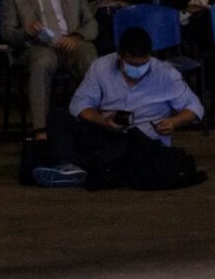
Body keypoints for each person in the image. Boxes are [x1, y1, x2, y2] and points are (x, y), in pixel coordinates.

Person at [37, 27, 203, 188]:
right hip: (107, 133)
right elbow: (79, 104)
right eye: (132, 64)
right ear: (119, 56)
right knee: (57, 117)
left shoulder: (166, 74)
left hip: (143, 143)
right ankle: (76, 167)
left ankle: (75, 166)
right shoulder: (101, 67)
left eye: (143, 64)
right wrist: (101, 120)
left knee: (127, 147)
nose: (138, 69)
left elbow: (194, 107)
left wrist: (174, 122)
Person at [0, 0, 97, 166]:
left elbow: (92, 24)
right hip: (37, 46)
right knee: (42, 59)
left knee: (90, 56)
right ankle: (41, 130)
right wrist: (25, 32)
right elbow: (7, 33)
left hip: (70, 42)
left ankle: (93, 121)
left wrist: (77, 37)